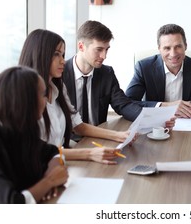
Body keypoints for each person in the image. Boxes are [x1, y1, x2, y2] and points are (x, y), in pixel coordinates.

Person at [19, 29, 127, 164]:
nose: (63, 61)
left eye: (63, 55)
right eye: (56, 54)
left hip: (60, 162)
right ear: (39, 55)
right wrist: (89, 153)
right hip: (39, 167)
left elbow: (78, 125)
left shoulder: (58, 87)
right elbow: (35, 150)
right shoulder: (23, 95)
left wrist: (119, 136)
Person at [0, 66, 68, 203]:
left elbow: (53, 152)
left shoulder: (20, 127)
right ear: (24, 100)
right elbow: (11, 203)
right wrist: (49, 181)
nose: (46, 100)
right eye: (42, 95)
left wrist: (51, 175)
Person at [63, 20, 167, 126]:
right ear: (81, 46)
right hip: (67, 140)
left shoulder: (106, 73)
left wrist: (154, 119)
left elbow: (124, 105)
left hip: (98, 137)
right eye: (99, 49)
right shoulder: (60, 74)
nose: (104, 56)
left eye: (106, 50)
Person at [126, 23, 191, 118]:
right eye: (167, 48)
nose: (173, 54)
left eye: (178, 47)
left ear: (185, 46)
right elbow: (128, 103)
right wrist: (165, 106)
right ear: (159, 49)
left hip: (190, 125)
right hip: (156, 124)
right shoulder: (144, 67)